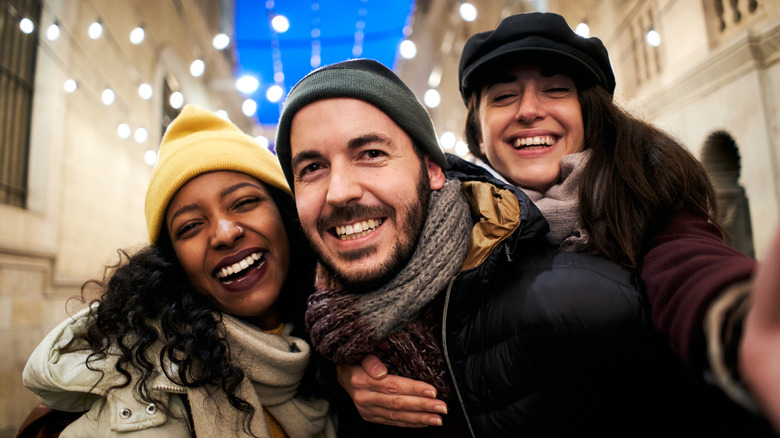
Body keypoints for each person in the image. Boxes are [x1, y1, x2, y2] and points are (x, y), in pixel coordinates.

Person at [273, 58, 773, 437]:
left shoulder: (579, 296)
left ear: (434, 169)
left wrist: (735, 320)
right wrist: (336, 371)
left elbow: (684, 264)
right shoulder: (316, 321)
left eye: (371, 153)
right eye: (311, 167)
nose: (339, 191)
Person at [22, 105, 335, 438]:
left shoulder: (333, 350)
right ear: (173, 263)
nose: (225, 232)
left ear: (286, 215)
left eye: (244, 202)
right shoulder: (144, 400)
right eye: (191, 226)